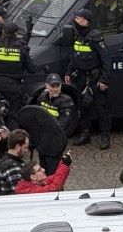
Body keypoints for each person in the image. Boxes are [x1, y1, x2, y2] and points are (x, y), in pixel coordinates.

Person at [65, 9, 111, 149]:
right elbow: (74, 56)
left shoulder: (95, 37)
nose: (75, 21)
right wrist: (68, 72)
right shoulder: (77, 35)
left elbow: (106, 60)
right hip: (80, 77)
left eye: (78, 19)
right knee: (83, 107)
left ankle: (105, 137)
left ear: (86, 21)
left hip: (94, 79)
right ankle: (85, 134)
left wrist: (104, 80)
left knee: (100, 108)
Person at [36, 73, 75, 173]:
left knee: (53, 172)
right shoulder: (42, 97)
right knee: (43, 170)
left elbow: (61, 124)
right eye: (53, 86)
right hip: (43, 142)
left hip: (55, 142)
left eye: (58, 86)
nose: (56, 89)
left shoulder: (65, 101)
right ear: (46, 86)